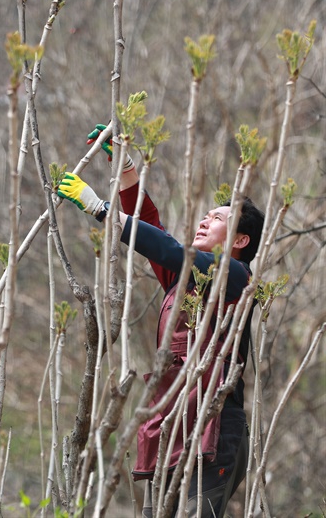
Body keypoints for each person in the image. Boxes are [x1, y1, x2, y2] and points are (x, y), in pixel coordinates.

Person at [57, 126, 264, 517]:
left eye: (216, 218)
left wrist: (100, 208)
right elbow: (152, 227)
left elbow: (169, 249)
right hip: (170, 428)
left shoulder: (237, 277)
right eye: (204, 215)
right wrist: (126, 167)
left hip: (213, 430)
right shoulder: (187, 280)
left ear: (240, 240)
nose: (203, 221)